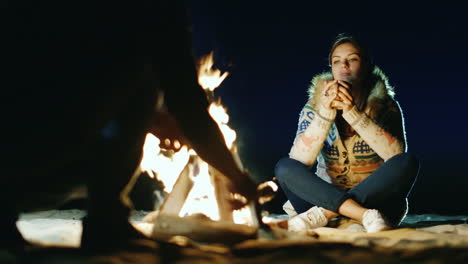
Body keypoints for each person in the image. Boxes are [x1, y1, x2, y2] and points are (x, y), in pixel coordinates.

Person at [1, 0, 256, 250]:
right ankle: (107, 219)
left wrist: (156, 120)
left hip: (21, 164)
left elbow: (66, 87)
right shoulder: (152, 9)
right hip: (38, 166)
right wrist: (235, 176)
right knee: (144, 75)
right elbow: (187, 105)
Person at [274, 34, 419, 233]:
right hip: (321, 198)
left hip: (373, 202)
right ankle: (362, 215)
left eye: (353, 59)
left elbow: (395, 156)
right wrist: (325, 113)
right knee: (284, 167)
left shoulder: (386, 107)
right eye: (337, 61)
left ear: (367, 65)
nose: (344, 65)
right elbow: (300, 160)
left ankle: (325, 215)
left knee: (408, 162)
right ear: (331, 69)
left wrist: (352, 113)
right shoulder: (313, 108)